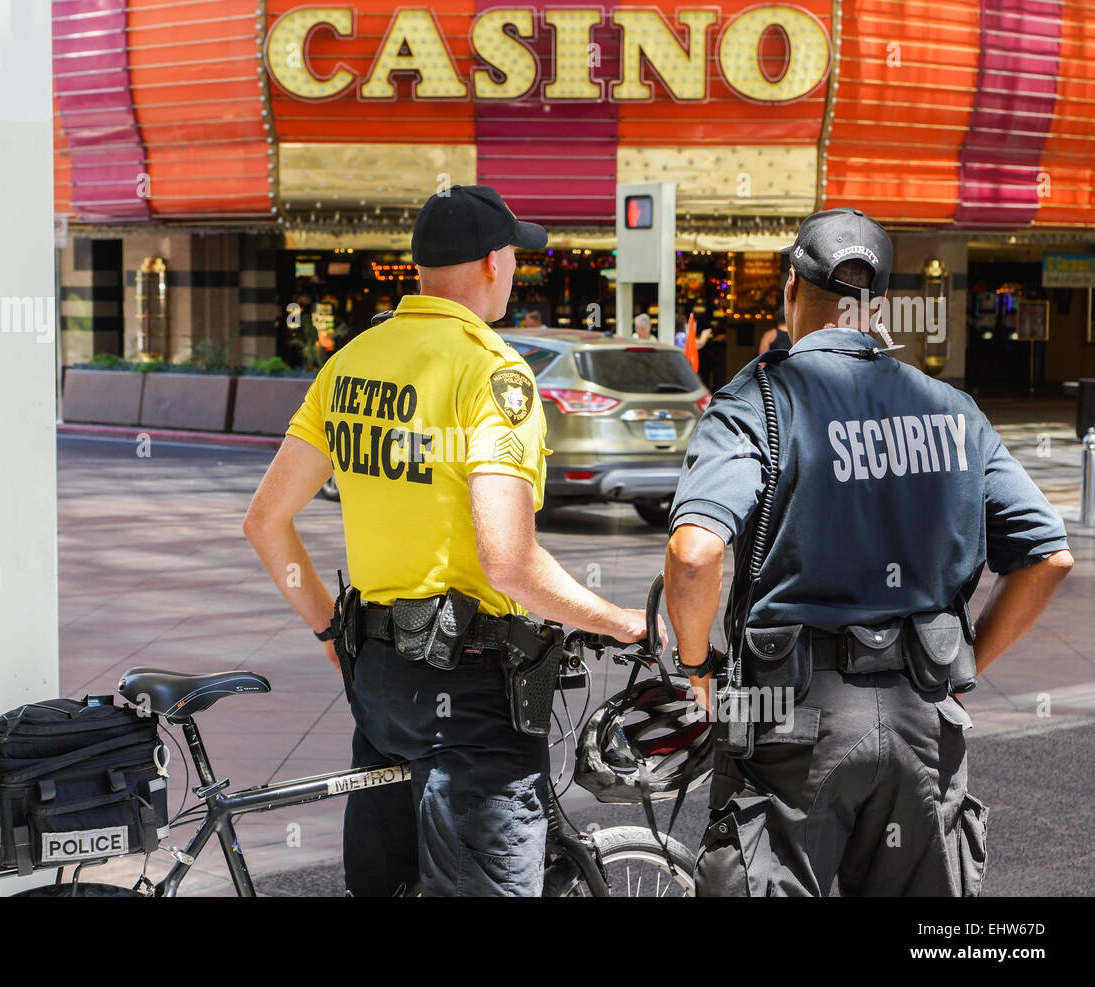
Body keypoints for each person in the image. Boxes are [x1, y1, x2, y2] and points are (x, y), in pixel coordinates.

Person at [243, 184, 654, 897]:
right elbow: (510, 562)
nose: (517, 271)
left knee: (386, 885)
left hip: (376, 684)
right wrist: (618, 621)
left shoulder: (351, 363)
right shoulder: (491, 373)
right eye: (514, 257)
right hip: (468, 695)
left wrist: (328, 629)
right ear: (494, 263)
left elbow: (265, 522)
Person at [664, 207, 1073, 897]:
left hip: (782, 717)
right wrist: (964, 667)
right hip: (922, 716)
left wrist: (697, 667)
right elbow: (1049, 553)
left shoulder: (758, 402)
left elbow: (696, 553)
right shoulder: (953, 408)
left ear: (791, 288)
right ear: (876, 306)